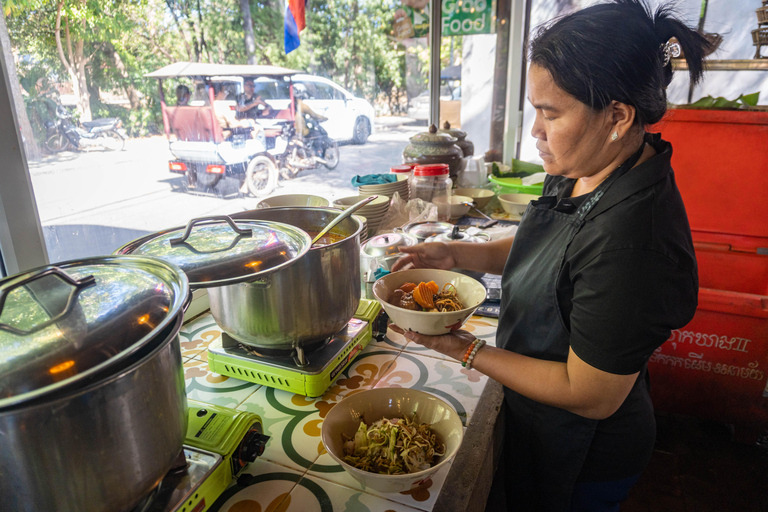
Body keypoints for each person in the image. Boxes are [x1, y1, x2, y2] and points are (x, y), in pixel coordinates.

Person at [389, 1, 709, 510]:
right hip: (539, 411)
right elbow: (547, 238)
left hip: (584, 449)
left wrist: (466, 351)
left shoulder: (634, 242)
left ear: (618, 116)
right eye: (534, 108)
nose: (535, 130)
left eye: (550, 113)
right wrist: (457, 252)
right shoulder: (590, 160)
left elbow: (591, 393)